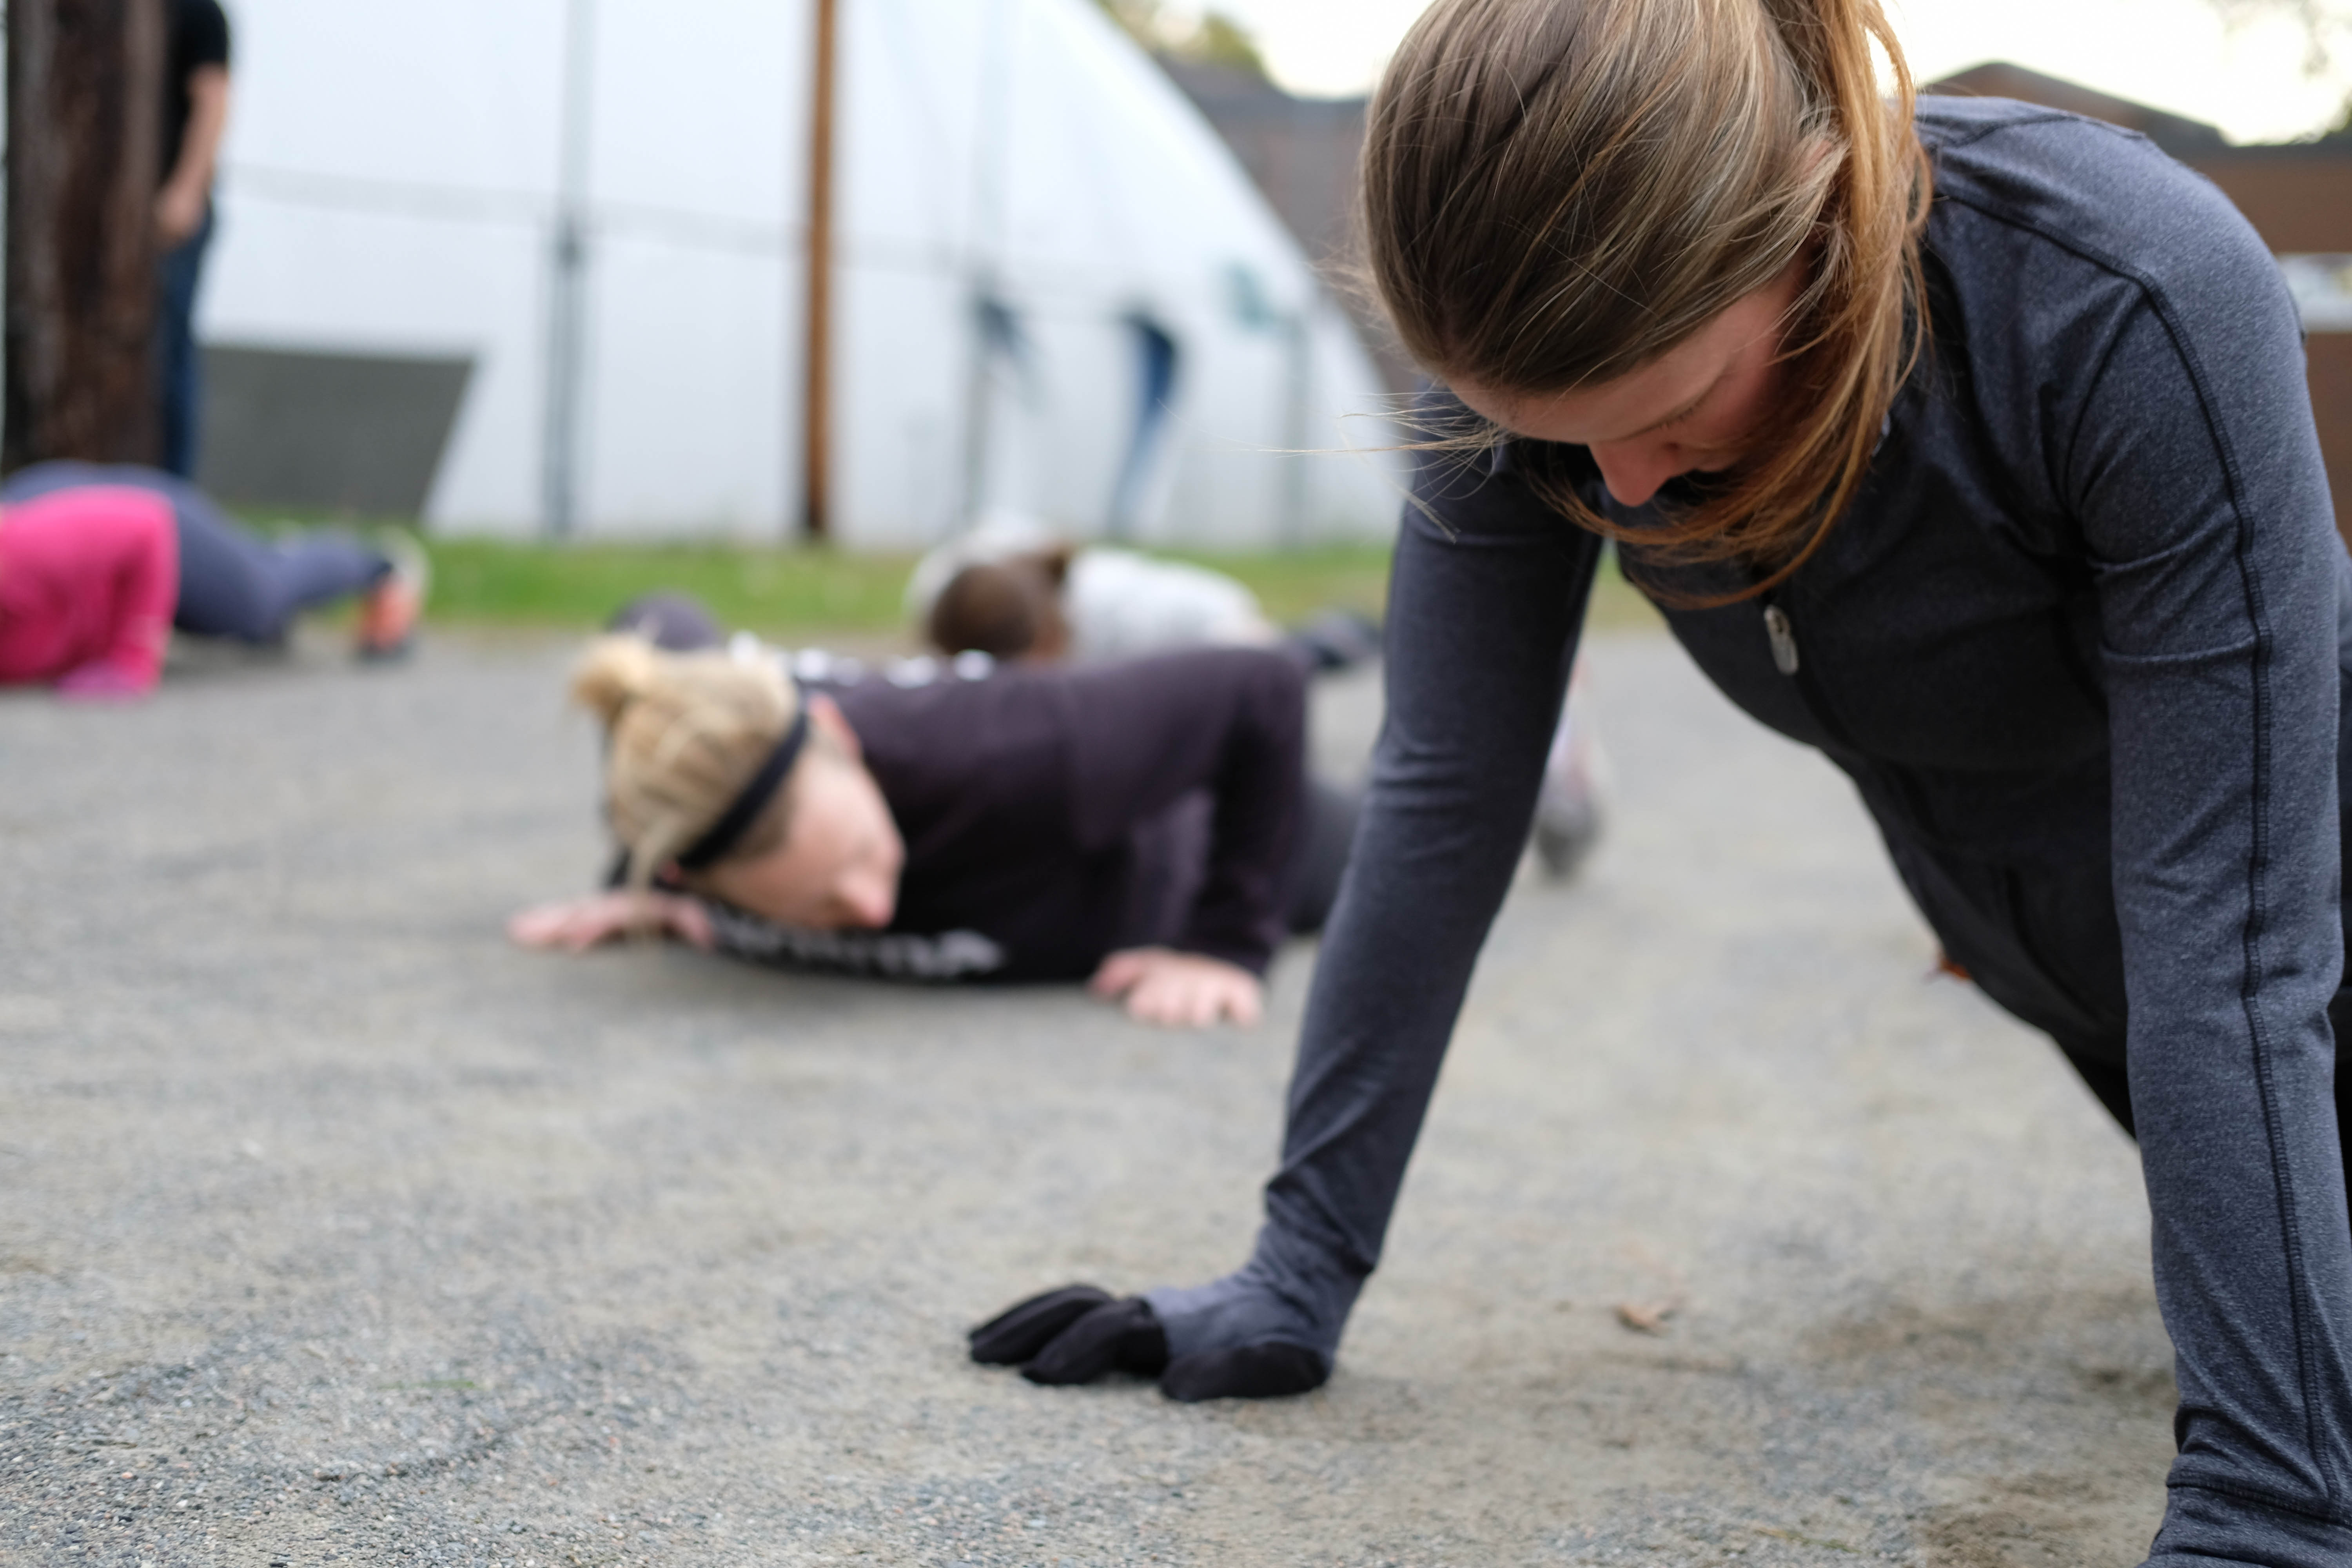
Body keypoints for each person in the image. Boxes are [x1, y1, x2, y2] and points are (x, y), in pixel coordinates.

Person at [965, 0, 2352, 1559]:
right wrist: (1301, 1265)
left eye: (1674, 416)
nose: (1620, 493)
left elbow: (2234, 943)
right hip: (2095, 997)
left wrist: (2264, 1502)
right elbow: (1443, 794)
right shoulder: (1537, 386)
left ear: (1818, 216)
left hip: (2275, 933)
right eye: (1562, 448)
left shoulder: (2123, 300)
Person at [507, 604, 1360, 1029]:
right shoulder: (695, 812)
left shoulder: (1015, 755)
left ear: (840, 736)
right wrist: (635, 864)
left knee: (1430, 843)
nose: (872, 909)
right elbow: (653, 621)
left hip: (1205, 842)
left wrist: (1226, 940)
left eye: (865, 853)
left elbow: (1261, 686)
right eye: (818, 904)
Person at [912, 517, 1608, 878]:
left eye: (1029, 664)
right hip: (1172, 662)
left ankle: (1537, 717)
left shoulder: (1130, 609)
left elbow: (1249, 690)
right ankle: (1368, 633)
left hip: (1230, 639)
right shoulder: (962, 592)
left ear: (1050, 631)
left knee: (1313, 661)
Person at [0, 463, 424, 697]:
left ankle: (381, 567)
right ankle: (263, 552)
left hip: (151, 525)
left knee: (259, 604)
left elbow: (148, 527)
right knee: (248, 599)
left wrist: (132, 659)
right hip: (78, 549)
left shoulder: (19, 552)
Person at [156, 0, 232, 478]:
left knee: (170, 357)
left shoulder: (198, 12)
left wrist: (185, 193)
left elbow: (214, 100)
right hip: (122, 218)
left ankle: (173, 487)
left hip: (172, 215)